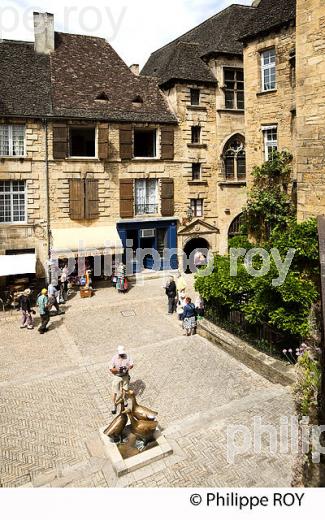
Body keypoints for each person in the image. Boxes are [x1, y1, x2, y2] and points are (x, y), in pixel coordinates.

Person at [110, 345, 134, 414]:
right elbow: (111, 369)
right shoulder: (114, 358)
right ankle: (114, 404)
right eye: (121, 354)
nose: (122, 355)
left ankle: (123, 399)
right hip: (117, 376)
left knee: (124, 389)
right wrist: (117, 369)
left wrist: (129, 367)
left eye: (122, 353)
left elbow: (131, 364)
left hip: (125, 375)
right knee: (114, 391)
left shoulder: (128, 356)